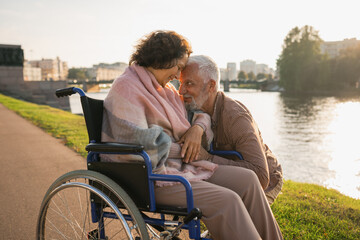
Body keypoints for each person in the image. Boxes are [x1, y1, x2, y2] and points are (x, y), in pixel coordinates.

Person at [101, 30, 283, 239]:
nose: (177, 76)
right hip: (151, 177)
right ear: (164, 59)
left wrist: (197, 129)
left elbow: (199, 114)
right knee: (227, 200)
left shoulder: (165, 90)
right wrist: (185, 147)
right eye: (178, 67)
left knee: (249, 179)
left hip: (181, 166)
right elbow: (139, 145)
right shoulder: (127, 87)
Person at [179, 55, 283, 204]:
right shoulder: (190, 107)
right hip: (223, 176)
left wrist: (207, 158)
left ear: (210, 86)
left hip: (267, 180)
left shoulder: (236, 117)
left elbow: (261, 176)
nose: (181, 91)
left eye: (189, 83)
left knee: (238, 221)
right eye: (180, 83)